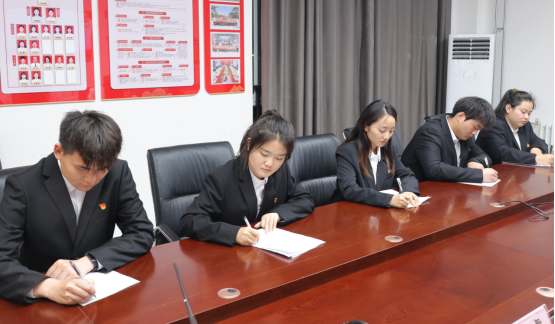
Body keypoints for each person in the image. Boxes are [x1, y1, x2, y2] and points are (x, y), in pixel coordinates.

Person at [0, 111, 154, 305]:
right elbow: (2, 259)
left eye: (102, 169)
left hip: (96, 291)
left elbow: (141, 232)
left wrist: (88, 261)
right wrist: (47, 286)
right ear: (59, 151)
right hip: (42, 299)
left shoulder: (117, 173)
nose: (91, 179)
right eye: (82, 168)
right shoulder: (23, 186)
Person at [180, 110, 314, 247]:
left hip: (264, 251)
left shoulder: (280, 171)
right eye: (264, 154)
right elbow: (189, 221)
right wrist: (234, 233)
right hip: (227, 253)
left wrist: (278, 214)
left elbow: (304, 198)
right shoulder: (222, 179)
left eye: (279, 158)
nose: (270, 163)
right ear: (249, 144)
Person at [335, 101, 420, 209]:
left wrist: (408, 191)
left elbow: (405, 174)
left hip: (377, 212)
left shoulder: (389, 151)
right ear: (366, 126)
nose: (387, 136)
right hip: (351, 212)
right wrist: (389, 199)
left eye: (391, 131)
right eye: (382, 131)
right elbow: (350, 190)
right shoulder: (347, 152)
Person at [401, 97, 498, 184]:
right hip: (418, 191)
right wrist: (479, 175)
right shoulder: (430, 132)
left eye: (478, 130)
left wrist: (474, 161)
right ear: (460, 117)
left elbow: (483, 156)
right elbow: (434, 169)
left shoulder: (466, 135)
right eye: (475, 127)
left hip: (446, 189)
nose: (475, 133)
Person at [476, 90, 553, 166]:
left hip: (516, 170)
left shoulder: (525, 126)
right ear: (508, 108)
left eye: (529, 114)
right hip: (493, 170)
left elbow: (539, 142)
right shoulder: (494, 125)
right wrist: (535, 158)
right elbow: (503, 152)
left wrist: (536, 151)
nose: (526, 117)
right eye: (523, 112)